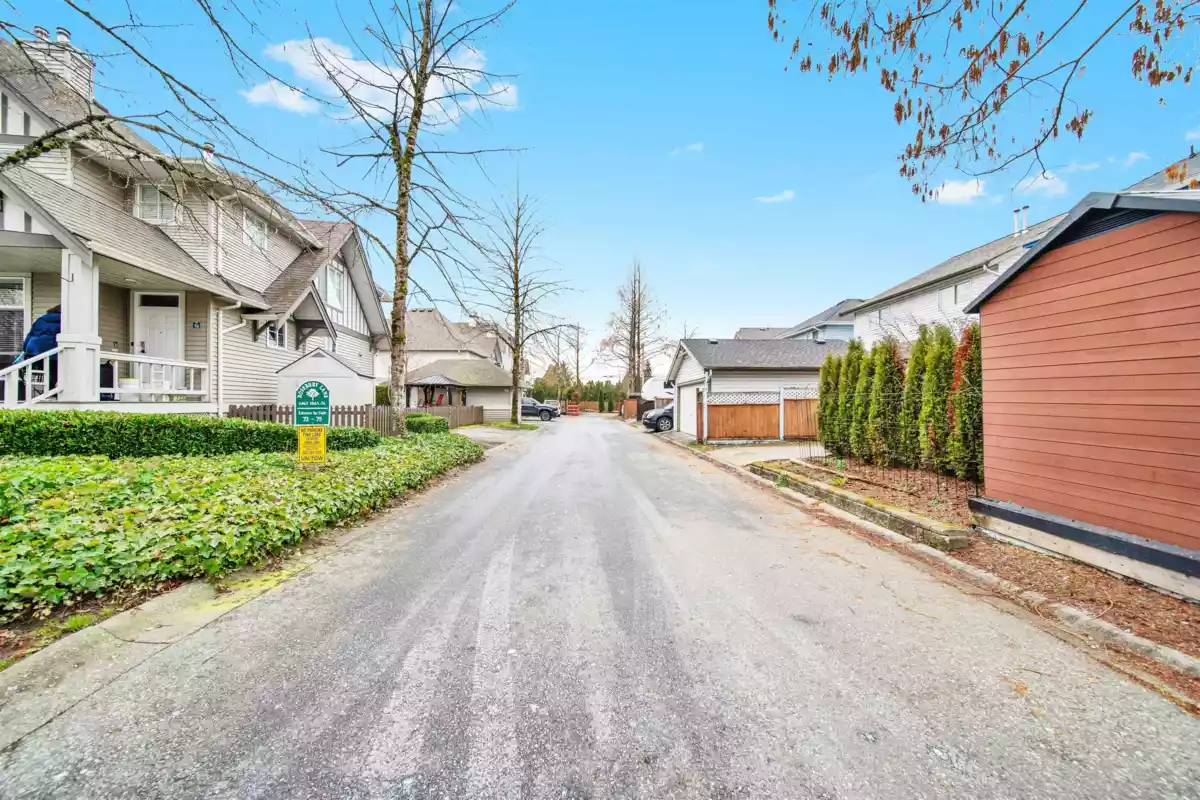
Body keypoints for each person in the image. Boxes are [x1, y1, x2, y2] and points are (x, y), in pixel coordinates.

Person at [14, 305, 61, 399]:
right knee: (55, 368)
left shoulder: (41, 320)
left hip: (33, 349)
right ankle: (52, 390)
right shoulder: (65, 321)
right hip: (50, 349)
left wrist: (25, 349)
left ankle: (48, 389)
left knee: (44, 368)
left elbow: (30, 335)